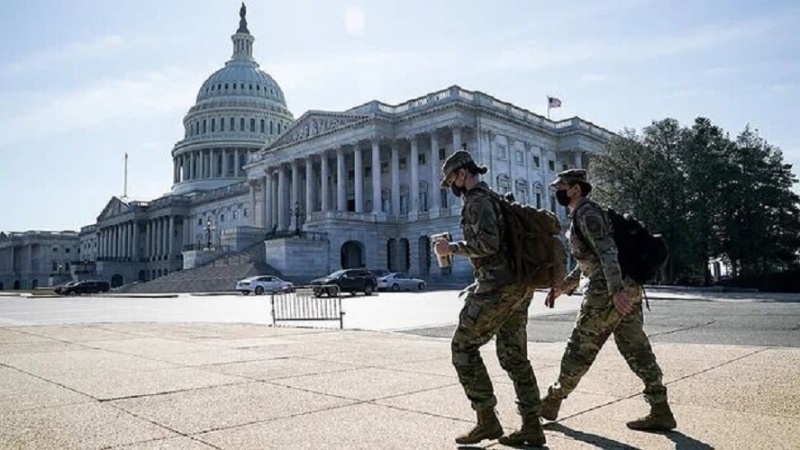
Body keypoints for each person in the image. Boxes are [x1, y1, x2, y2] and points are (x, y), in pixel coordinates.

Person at [541, 168, 677, 431]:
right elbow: (587, 263)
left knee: (580, 346)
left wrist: (616, 291)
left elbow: (607, 253)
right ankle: (660, 408)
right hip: (627, 286)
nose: (557, 192)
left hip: (608, 289)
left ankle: (551, 400)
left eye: (561, 187)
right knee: (635, 347)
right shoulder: (584, 214)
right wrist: (562, 287)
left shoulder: (588, 213)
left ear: (575, 189)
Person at [433, 149, 546, 447]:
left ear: (462, 173)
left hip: (500, 286)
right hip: (518, 285)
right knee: (514, 356)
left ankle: (487, 420)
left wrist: (450, 249)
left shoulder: (478, 200)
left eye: (453, 180)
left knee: (463, 347)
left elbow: (488, 244)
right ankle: (532, 425)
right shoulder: (493, 197)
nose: (453, 186)